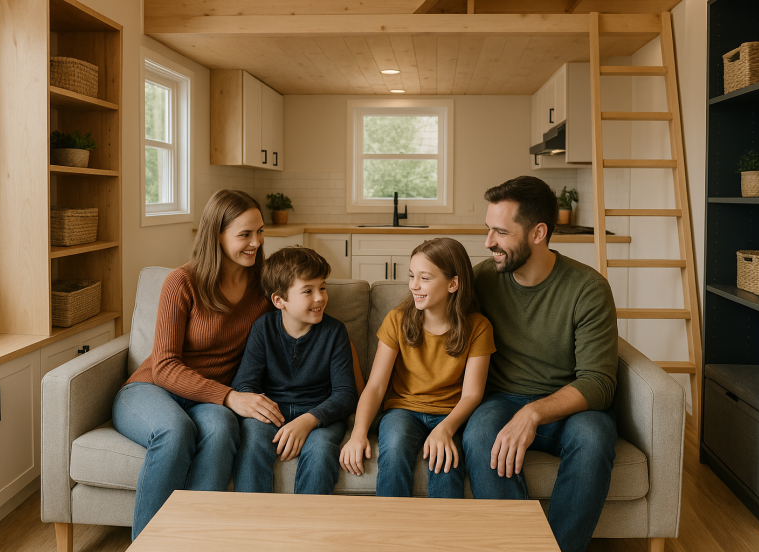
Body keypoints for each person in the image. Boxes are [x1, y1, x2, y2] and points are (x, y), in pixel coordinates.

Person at [112, 189, 280, 540]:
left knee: (222, 431)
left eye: (260, 232)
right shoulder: (182, 281)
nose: (256, 242)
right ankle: (148, 545)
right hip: (151, 389)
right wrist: (232, 397)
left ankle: (197, 542)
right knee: (174, 432)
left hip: (208, 401)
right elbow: (164, 366)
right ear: (217, 235)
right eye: (244, 234)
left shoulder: (264, 289)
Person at [462, 176, 619, 552]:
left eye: (500, 232)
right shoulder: (482, 279)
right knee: (480, 436)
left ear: (538, 233)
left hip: (568, 406)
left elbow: (599, 381)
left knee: (595, 438)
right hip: (500, 399)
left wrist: (533, 413)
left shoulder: (588, 288)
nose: (488, 243)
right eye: (488, 230)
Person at [340, 237, 495, 498]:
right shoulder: (397, 319)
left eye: (425, 278)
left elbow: (472, 394)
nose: (414, 285)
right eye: (412, 276)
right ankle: (392, 534)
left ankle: (439, 536)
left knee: (447, 464)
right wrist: (358, 433)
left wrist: (445, 429)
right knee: (396, 447)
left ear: (453, 283)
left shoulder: (478, 327)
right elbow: (376, 386)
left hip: (450, 413)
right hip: (403, 410)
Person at [232, 247, 358, 494]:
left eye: (322, 287)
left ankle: (308, 528)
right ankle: (252, 523)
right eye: (307, 291)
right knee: (252, 442)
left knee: (321, 452)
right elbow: (244, 384)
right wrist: (261, 408)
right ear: (280, 300)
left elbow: (345, 394)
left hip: (319, 415)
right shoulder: (263, 328)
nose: (320, 297)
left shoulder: (335, 332)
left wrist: (308, 421)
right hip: (271, 413)